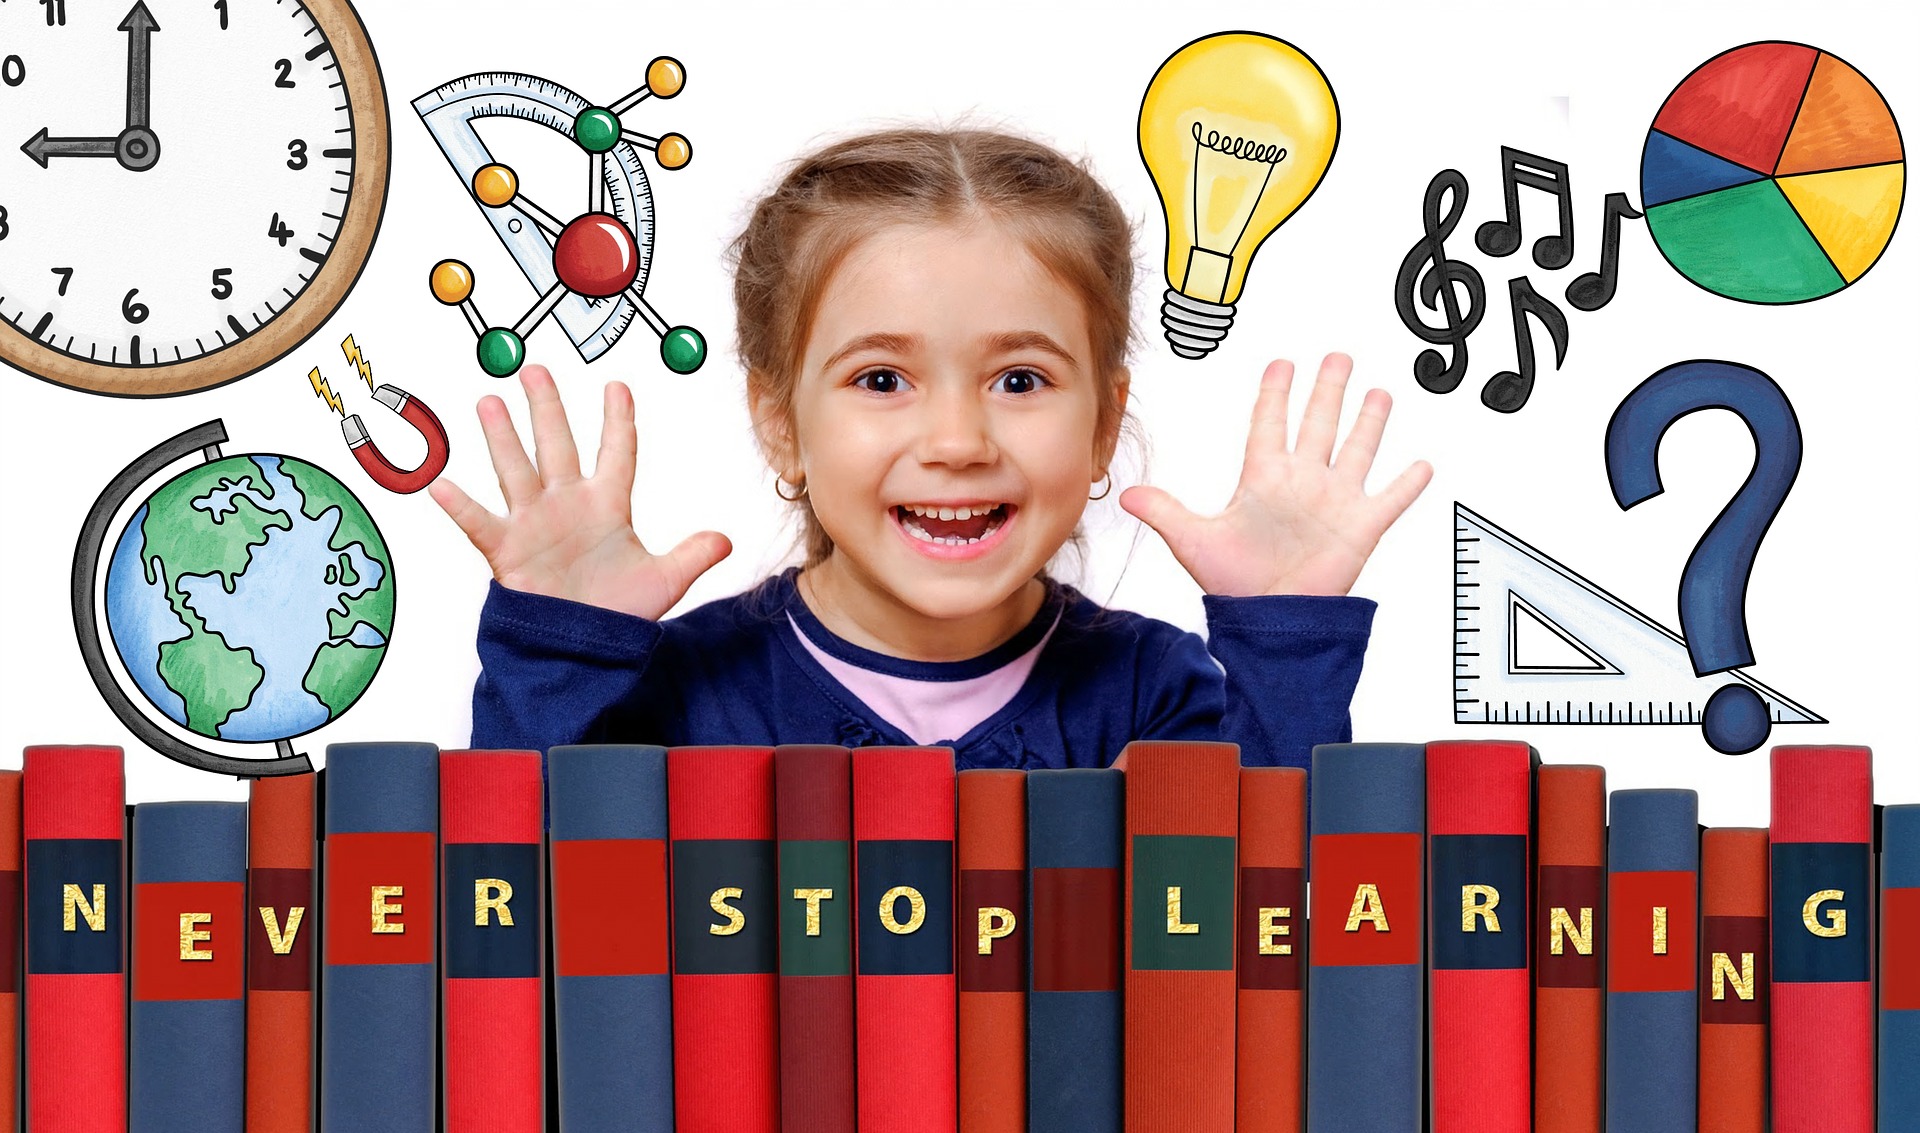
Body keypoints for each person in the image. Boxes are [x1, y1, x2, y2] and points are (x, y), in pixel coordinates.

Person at [432, 126, 1431, 771]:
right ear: (780, 422)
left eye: (1020, 381)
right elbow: (512, 939)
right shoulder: (681, 696)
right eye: (882, 381)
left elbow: (1279, 945)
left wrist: (1285, 643)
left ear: (1099, 425)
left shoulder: (1152, 697)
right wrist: (554, 655)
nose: (958, 442)